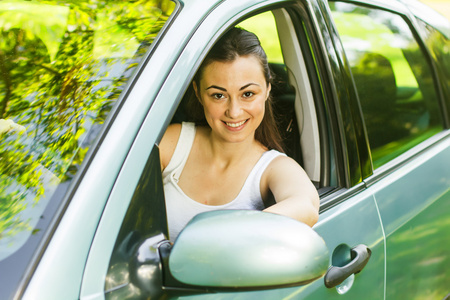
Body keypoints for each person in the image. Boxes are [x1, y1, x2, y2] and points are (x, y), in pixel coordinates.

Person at [160, 27, 319, 241]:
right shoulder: (173, 143)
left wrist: (225, 238)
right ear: (198, 92)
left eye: (248, 94)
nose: (234, 111)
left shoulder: (272, 168)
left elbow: (305, 206)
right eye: (218, 95)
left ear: (268, 89)